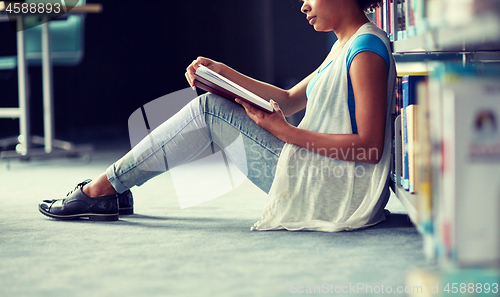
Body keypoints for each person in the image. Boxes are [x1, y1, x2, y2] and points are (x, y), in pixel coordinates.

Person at [39, 0, 396, 232]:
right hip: (322, 175)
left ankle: (102, 189)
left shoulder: (366, 51)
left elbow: (369, 147)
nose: (303, 6)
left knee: (208, 109)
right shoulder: (346, 45)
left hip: (332, 189)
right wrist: (225, 74)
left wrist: (285, 134)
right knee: (212, 102)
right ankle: (116, 187)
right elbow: (287, 100)